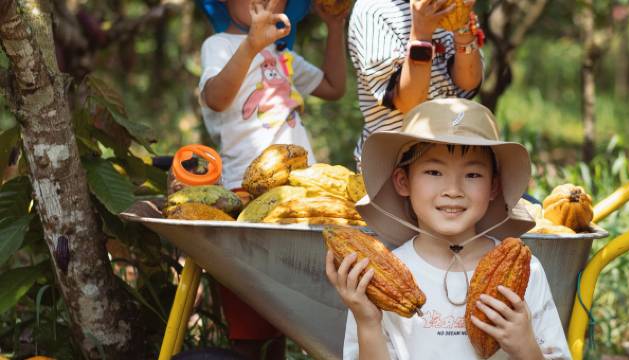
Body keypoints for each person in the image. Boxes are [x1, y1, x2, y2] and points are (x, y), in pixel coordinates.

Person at [326, 99, 572, 359]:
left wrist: (526, 347)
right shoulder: (380, 278)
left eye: (473, 175)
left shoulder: (526, 270)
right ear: (402, 181)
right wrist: (368, 323)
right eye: (433, 172)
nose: (453, 190)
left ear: (494, 187)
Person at [198, 0, 347, 358]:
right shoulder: (219, 45)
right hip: (246, 192)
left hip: (299, 194)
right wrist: (252, 45)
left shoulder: (285, 54)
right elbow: (216, 98)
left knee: (284, 310)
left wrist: (335, 27)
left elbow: (333, 87)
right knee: (250, 309)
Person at [347, 0, 484, 164]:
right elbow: (409, 103)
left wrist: (461, 23)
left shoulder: (441, 4)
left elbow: (468, 82)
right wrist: (421, 34)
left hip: (450, 153)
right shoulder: (373, 11)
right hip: (396, 161)